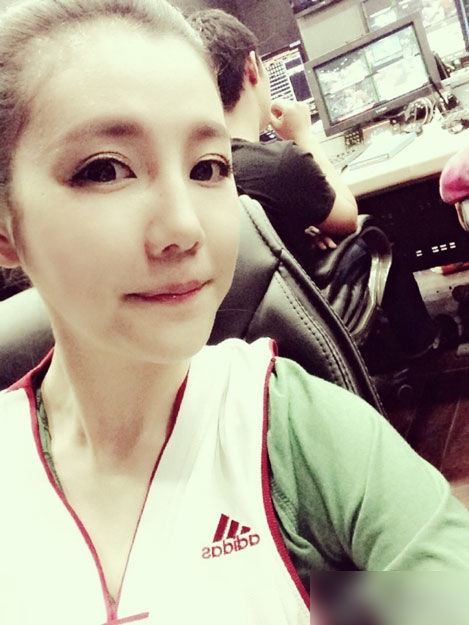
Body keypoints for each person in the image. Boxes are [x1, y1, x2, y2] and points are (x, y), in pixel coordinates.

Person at [0, 1, 469, 623]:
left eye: (208, 168)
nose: (184, 228)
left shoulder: (291, 428)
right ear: (6, 226)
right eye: (105, 170)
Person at [187, 8, 453, 368]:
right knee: (374, 231)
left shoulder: (196, 172)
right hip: (306, 306)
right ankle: (421, 343)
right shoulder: (278, 164)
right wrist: (303, 135)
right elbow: (346, 216)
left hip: (254, 334)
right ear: (252, 68)